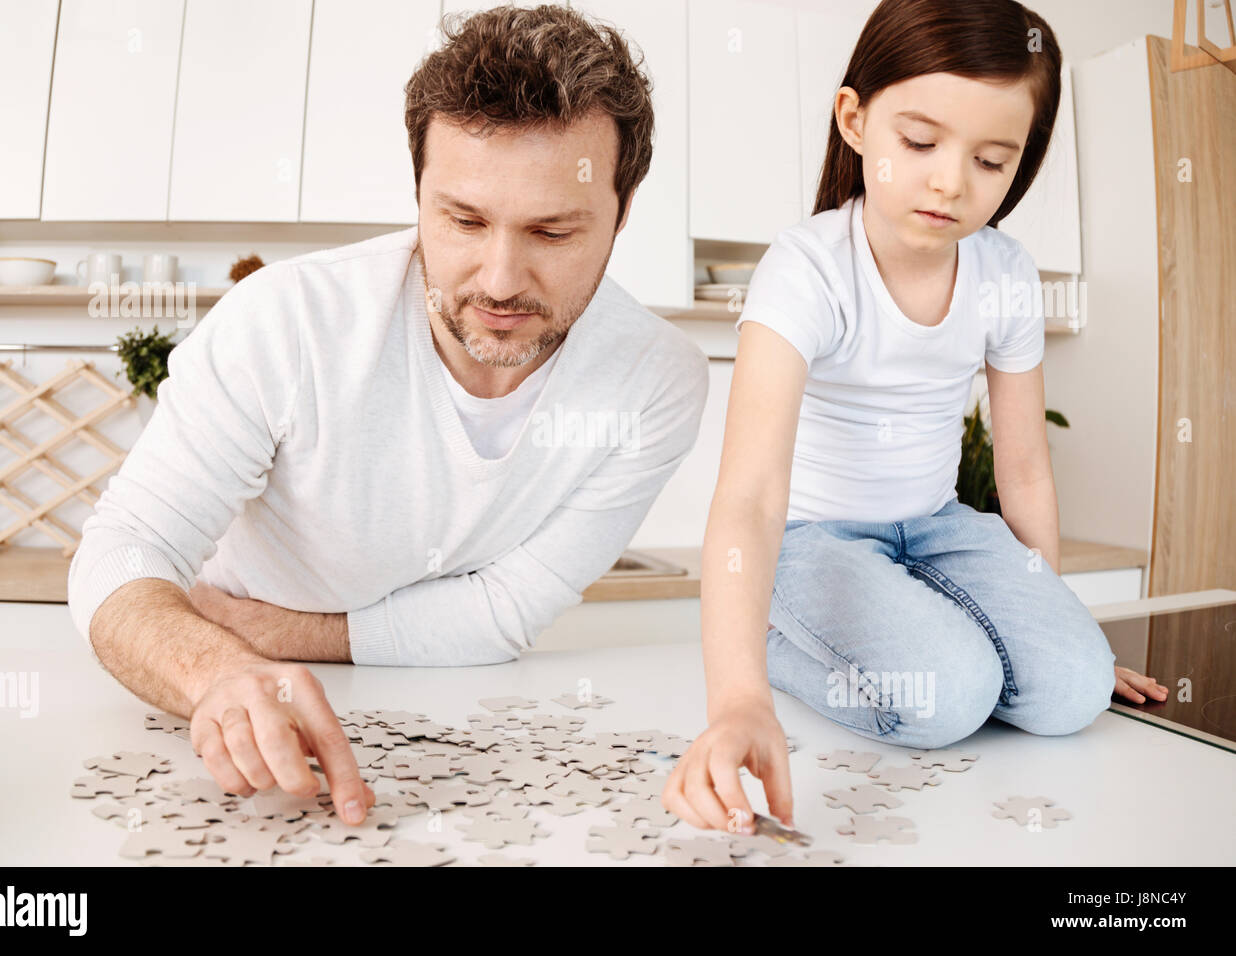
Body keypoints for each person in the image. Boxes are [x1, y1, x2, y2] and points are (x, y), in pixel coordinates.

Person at [68, 4, 708, 826]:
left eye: (553, 231)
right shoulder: (285, 321)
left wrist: (274, 629)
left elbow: (505, 617)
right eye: (464, 220)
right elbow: (120, 553)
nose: (502, 278)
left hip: (455, 720)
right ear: (416, 195)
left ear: (622, 214)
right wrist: (218, 665)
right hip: (225, 697)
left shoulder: (658, 382)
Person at [663, 0, 1166, 833]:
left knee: (1075, 686)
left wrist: (1055, 624)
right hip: (811, 539)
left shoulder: (1004, 273)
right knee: (949, 699)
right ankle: (780, 644)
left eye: (991, 160)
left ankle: (1051, 658)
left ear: (1020, 166)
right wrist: (738, 695)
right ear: (856, 121)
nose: (949, 182)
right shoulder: (807, 268)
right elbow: (750, 495)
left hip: (939, 526)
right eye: (921, 143)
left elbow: (1025, 468)